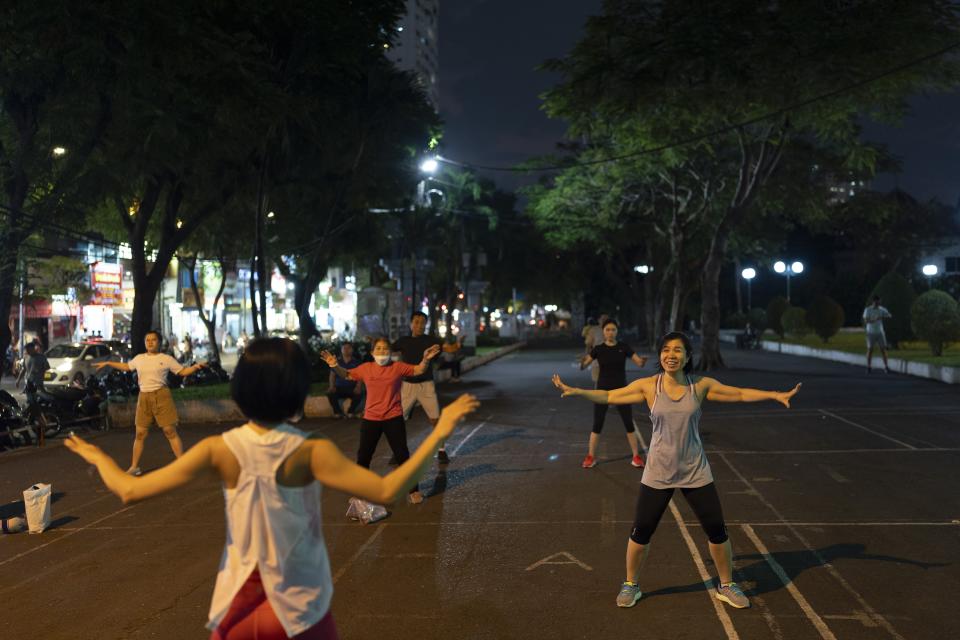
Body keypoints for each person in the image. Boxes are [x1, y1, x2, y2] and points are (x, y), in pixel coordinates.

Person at [66, 337, 479, 638]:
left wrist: (100, 458)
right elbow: (388, 490)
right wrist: (440, 427)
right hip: (301, 610)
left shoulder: (219, 449)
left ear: (241, 395)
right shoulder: (310, 451)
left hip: (238, 610)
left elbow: (129, 491)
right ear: (298, 397)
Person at [552, 331, 801, 611]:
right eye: (666, 350)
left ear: (687, 356)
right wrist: (577, 391)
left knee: (717, 531)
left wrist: (774, 394)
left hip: (696, 471)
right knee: (641, 531)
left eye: (678, 350)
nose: (671, 355)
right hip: (658, 472)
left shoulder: (701, 385)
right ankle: (631, 584)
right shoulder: (649, 386)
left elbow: (740, 393)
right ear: (660, 356)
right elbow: (609, 395)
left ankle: (727, 584)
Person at [322, 337, 441, 504]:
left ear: (391, 352)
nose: (382, 352)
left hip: (393, 418)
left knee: (402, 456)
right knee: (364, 456)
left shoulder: (397, 367)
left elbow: (418, 370)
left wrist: (426, 359)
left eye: (385, 349)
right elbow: (347, 375)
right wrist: (334, 365)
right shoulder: (366, 368)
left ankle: (414, 490)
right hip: (371, 419)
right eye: (378, 349)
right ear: (372, 353)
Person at [95, 330, 207, 476]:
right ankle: (134, 467)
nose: (150, 342)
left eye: (153, 340)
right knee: (140, 433)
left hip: (161, 395)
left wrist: (195, 367)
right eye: (147, 340)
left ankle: (182, 464)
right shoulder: (139, 358)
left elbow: (182, 371)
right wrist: (109, 363)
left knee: (169, 431)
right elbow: (127, 367)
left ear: (159, 342)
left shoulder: (166, 358)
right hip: (144, 397)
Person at [577, 319, 648, 469]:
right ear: (603, 331)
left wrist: (643, 361)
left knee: (628, 423)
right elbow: (584, 366)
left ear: (617, 331)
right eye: (608, 329)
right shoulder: (598, 349)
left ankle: (636, 456)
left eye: (613, 330)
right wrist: (581, 363)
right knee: (597, 424)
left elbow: (639, 362)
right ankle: (590, 457)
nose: (610, 332)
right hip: (602, 391)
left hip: (622, 390)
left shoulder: (624, 347)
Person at [391, 312, 450, 463]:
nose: (420, 325)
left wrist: (457, 346)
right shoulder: (403, 341)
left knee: (435, 419)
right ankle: (397, 452)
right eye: (416, 322)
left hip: (426, 385)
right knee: (398, 421)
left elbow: (447, 348)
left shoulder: (431, 341)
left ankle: (442, 450)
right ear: (411, 324)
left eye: (423, 322)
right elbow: (388, 349)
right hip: (408, 386)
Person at [325, 342, 365, 418]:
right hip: (339, 387)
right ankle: (337, 413)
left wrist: (358, 386)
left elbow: (361, 376)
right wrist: (332, 386)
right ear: (341, 350)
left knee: (361, 393)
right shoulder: (336, 362)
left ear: (352, 350)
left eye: (348, 348)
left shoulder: (357, 362)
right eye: (344, 348)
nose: (346, 350)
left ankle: (351, 412)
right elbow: (332, 375)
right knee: (330, 393)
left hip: (352, 387)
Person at [863, 295, 892, 373]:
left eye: (879, 301)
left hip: (880, 332)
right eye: (877, 301)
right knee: (870, 349)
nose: (878, 303)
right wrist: (874, 319)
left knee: (883, 350)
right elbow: (866, 320)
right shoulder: (868, 310)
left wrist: (886, 316)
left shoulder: (882, 309)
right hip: (870, 333)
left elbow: (889, 315)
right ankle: (868, 367)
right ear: (873, 301)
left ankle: (886, 367)